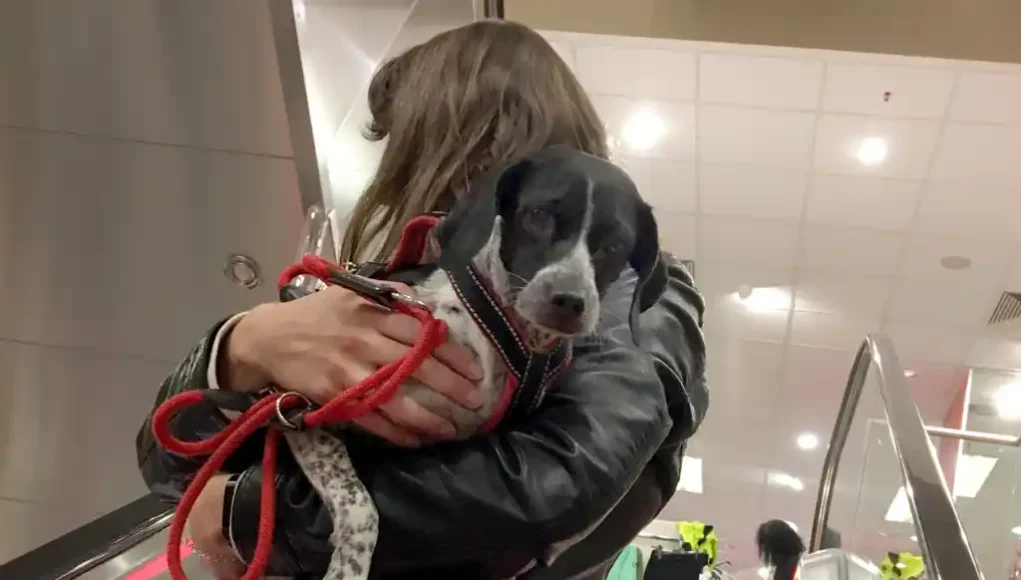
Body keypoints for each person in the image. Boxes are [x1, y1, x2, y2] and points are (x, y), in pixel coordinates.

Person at [135, 19, 708, 580]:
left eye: (402, 139)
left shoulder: (624, 285)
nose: (395, 167)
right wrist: (241, 346)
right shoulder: (403, 281)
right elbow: (165, 462)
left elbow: (562, 477)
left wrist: (250, 509)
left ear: (458, 141)